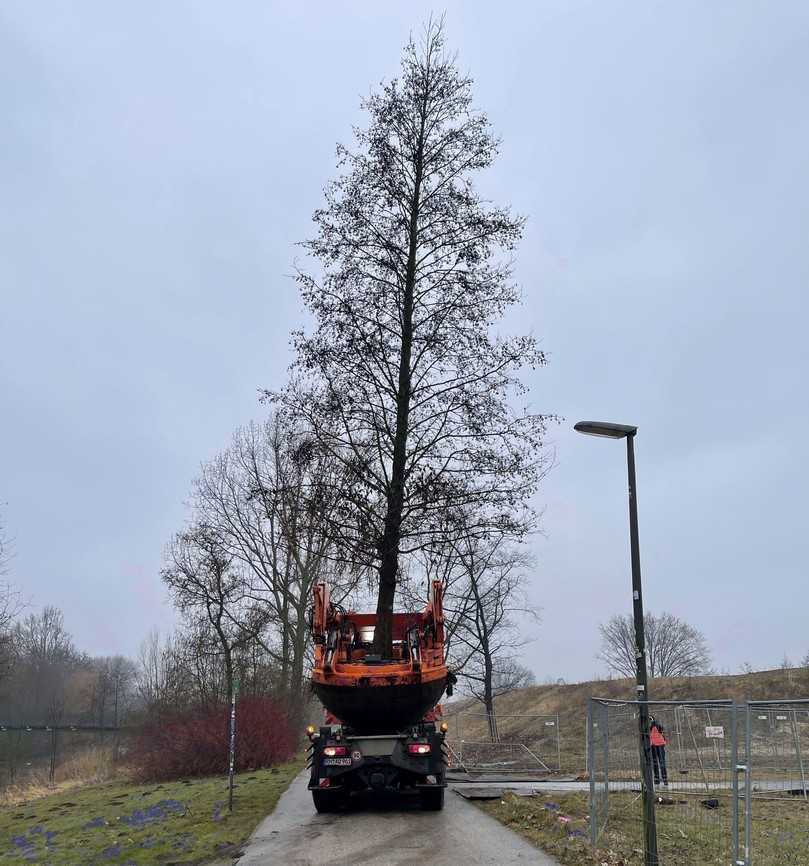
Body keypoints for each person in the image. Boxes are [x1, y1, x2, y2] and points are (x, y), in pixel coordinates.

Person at [650, 716, 668, 787]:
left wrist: (654, 723)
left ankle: (665, 779)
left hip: (660, 745)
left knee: (662, 762)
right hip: (653, 745)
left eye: (650, 719)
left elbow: (661, 729)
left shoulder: (657, 726)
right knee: (655, 763)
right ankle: (657, 779)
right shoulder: (648, 727)